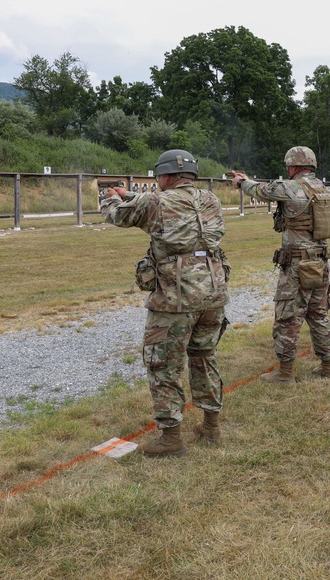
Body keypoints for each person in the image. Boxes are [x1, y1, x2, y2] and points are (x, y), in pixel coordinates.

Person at [101, 149, 230, 457]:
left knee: (163, 365)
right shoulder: (211, 200)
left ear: (167, 176)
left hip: (176, 297)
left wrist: (109, 198)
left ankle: (171, 438)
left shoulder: (156, 202)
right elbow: (171, 206)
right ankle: (211, 426)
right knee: (204, 357)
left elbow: (120, 215)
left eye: (159, 176)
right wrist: (129, 194)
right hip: (212, 292)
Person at [231, 147, 330, 380]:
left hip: (298, 265)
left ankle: (286, 372)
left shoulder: (290, 187)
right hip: (320, 260)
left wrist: (242, 182)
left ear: (293, 166)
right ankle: (328, 367)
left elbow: (261, 191)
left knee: (287, 316)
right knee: (318, 314)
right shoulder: (323, 188)